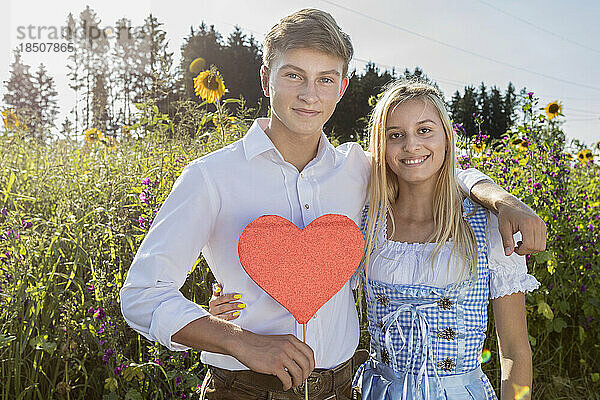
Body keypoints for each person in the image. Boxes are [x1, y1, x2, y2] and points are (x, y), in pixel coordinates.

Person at [120, 9, 546, 400]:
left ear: (342, 87)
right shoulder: (210, 177)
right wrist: (236, 339)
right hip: (245, 389)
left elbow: (429, 166)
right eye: (294, 75)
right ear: (266, 78)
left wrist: (501, 198)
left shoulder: (357, 170)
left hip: (342, 388)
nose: (310, 94)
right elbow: (141, 295)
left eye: (326, 78)